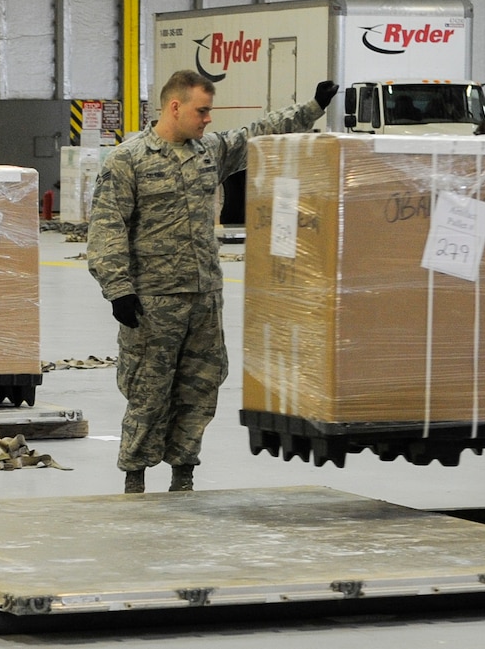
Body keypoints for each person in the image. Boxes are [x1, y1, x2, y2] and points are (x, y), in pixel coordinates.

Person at [86, 70, 337, 494]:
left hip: (204, 298)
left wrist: (312, 108)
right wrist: (119, 289)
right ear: (175, 106)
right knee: (149, 392)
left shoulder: (208, 152)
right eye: (201, 111)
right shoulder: (128, 160)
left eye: (209, 112)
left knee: (200, 388)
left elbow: (257, 133)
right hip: (153, 302)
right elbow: (107, 228)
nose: (207, 120)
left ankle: (183, 473)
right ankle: (136, 477)